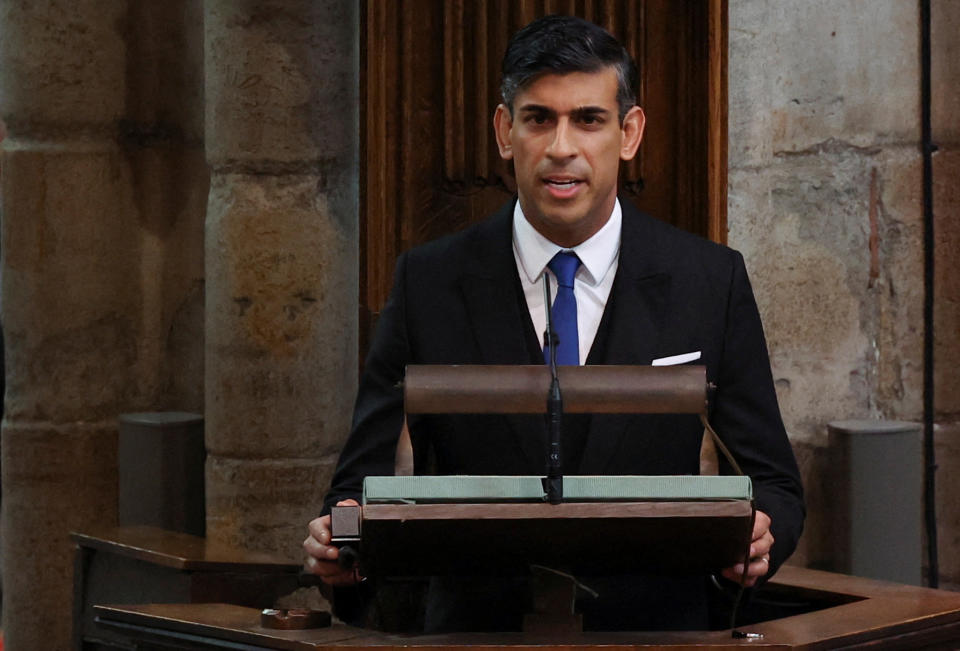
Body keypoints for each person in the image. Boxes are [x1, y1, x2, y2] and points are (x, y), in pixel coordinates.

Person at [304, 15, 804, 632]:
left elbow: (774, 484)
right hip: (475, 634)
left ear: (629, 132)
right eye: (539, 118)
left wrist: (760, 540)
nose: (561, 146)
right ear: (504, 131)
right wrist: (341, 541)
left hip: (657, 632)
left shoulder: (710, 280)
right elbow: (358, 482)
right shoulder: (428, 281)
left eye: (588, 120)